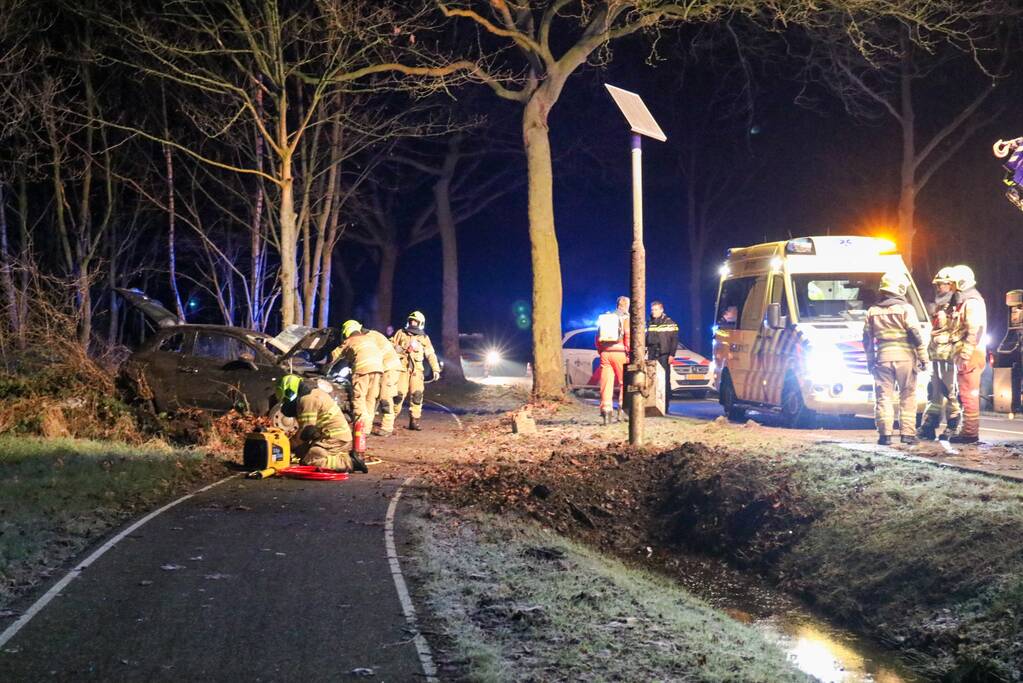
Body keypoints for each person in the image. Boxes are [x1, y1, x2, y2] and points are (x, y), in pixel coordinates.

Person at [862, 272, 929, 446]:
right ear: (900, 288)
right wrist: (923, 357)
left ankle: (885, 435)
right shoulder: (906, 309)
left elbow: (867, 339)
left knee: (884, 397)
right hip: (905, 358)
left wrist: (870, 360)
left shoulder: (872, 311)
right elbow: (915, 334)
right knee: (908, 395)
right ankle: (907, 434)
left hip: (882, 359)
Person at [275, 374, 366, 473]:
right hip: (335, 436)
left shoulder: (307, 400)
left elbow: (306, 432)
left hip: (334, 438)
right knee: (306, 454)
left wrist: (286, 446)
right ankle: (340, 456)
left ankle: (350, 462)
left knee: (309, 462)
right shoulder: (314, 393)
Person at [919, 267, 961, 440]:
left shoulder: (957, 306)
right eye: (937, 285)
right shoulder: (938, 305)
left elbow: (957, 331)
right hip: (936, 355)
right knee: (934, 390)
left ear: (951, 284)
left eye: (942, 284)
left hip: (949, 356)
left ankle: (953, 425)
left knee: (950, 391)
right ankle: (930, 424)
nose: (939, 288)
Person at [949, 265, 987, 444]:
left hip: (971, 354)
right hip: (969, 353)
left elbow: (974, 330)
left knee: (968, 395)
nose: (951, 286)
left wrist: (965, 355)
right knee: (965, 394)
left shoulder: (971, 303)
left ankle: (970, 433)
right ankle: (967, 431)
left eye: (953, 283)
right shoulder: (967, 301)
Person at [330, 320, 384, 432]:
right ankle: (367, 429)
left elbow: (333, 356)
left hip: (362, 371)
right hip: (378, 369)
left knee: (359, 399)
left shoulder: (350, 340)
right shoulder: (369, 339)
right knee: (370, 399)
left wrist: (322, 364)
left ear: (346, 331)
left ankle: (361, 430)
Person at [392, 311, 440, 431]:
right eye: (411, 321)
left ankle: (414, 421)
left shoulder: (424, 338)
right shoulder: (400, 333)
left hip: (417, 371)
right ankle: (390, 419)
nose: (413, 323)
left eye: (415, 321)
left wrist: (436, 369)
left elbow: (430, 354)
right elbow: (390, 346)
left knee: (417, 395)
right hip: (402, 370)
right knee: (398, 395)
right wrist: (401, 349)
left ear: (420, 323)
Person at [596, 296, 630, 425]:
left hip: (605, 353)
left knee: (606, 383)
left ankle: (606, 412)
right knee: (624, 382)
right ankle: (622, 410)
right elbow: (628, 336)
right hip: (620, 353)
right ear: (626, 305)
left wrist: (601, 351)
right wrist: (629, 353)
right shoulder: (626, 318)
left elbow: (597, 337)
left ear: (617, 305)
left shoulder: (607, 318)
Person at [365, 327, 401, 436]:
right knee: (371, 396)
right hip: (379, 368)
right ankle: (366, 428)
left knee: (385, 397)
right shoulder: (367, 337)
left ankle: (387, 428)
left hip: (390, 368)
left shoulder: (371, 337)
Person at [646, 300, 679, 412]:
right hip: (652, 354)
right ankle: (652, 404)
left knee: (664, 381)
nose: (653, 312)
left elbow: (675, 340)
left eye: (656, 310)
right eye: (652, 310)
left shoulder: (670, 322)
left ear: (661, 310)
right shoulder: (649, 322)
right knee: (651, 379)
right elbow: (646, 338)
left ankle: (665, 406)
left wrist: (672, 354)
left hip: (664, 355)